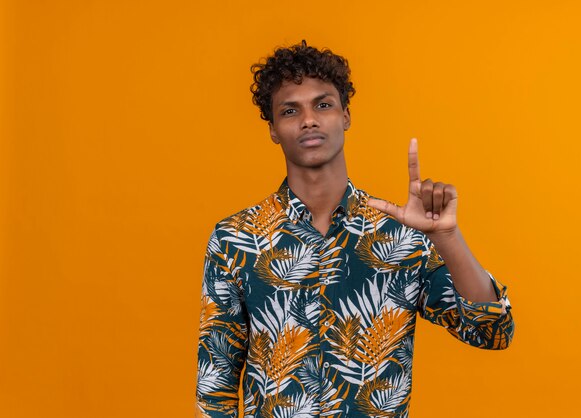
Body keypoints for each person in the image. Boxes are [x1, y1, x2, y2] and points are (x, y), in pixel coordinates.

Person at [196, 40, 514, 418]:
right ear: (274, 129)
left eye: (323, 104)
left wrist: (446, 238)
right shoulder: (236, 238)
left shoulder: (401, 235)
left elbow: (492, 332)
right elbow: (216, 383)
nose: (309, 120)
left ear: (346, 116)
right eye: (290, 110)